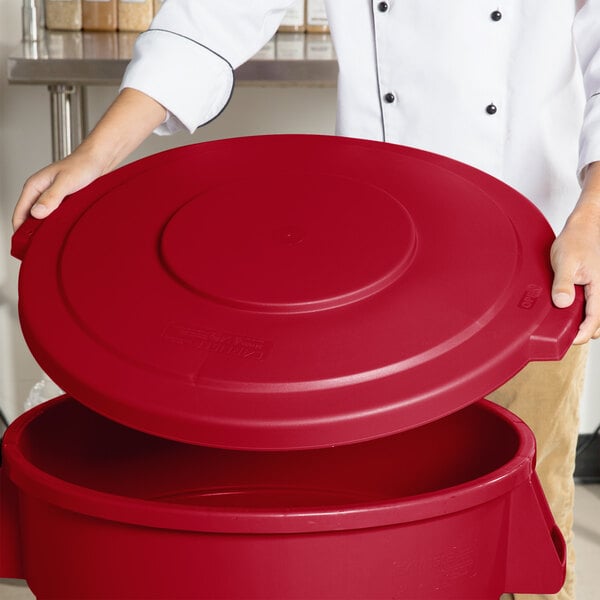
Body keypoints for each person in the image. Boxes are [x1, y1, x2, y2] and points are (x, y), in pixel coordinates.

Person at [12, 2, 600, 599]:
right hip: (375, 274)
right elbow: (211, 16)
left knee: (527, 531)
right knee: (369, 544)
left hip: (535, 261)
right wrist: (96, 155)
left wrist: (598, 210)